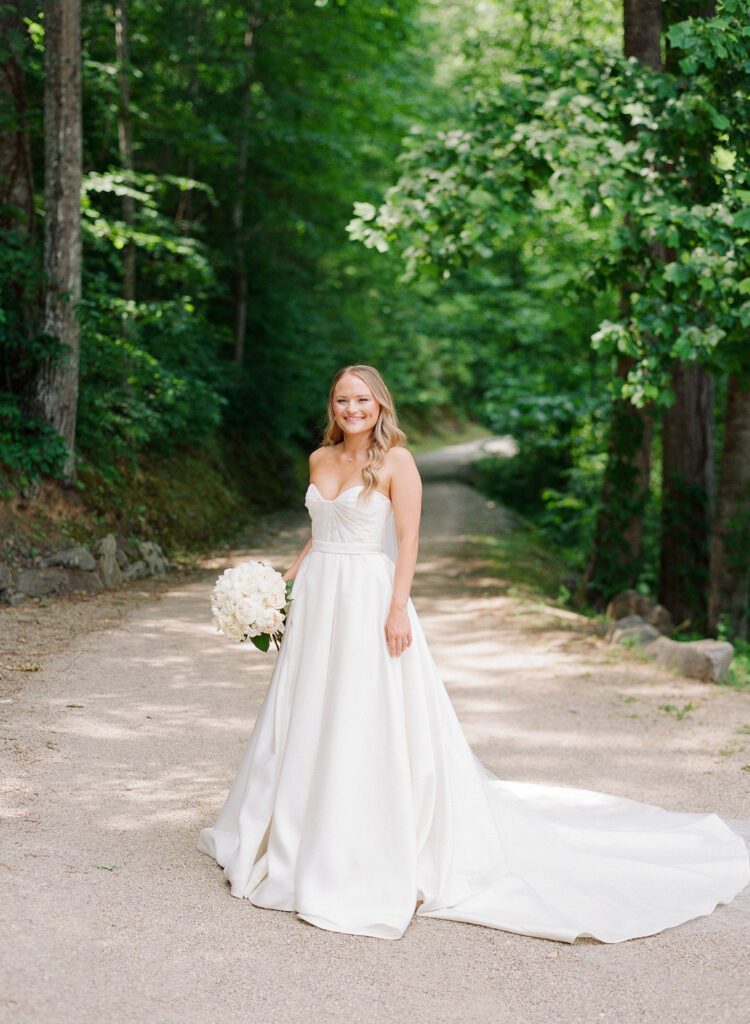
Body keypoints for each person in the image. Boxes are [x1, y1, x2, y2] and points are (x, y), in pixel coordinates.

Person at [198, 363, 750, 942]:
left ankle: (364, 836)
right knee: (309, 708)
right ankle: (296, 826)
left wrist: (395, 609)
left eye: (362, 399)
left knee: (364, 710)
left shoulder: (398, 463)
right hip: (317, 602)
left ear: (380, 404)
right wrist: (282, 586)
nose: (352, 409)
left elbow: (407, 539)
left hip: (367, 598)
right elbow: (320, 529)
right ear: (331, 407)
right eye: (342, 400)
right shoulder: (319, 460)